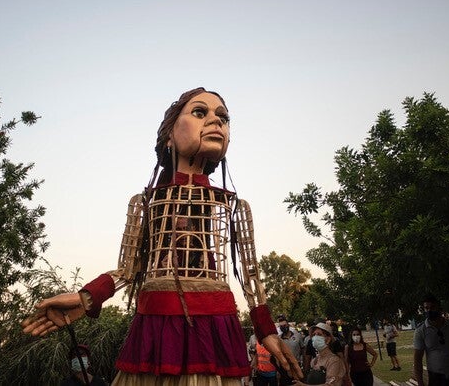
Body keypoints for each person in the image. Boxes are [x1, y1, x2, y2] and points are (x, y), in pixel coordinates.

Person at [21, 88, 302, 385]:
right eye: (199, 112)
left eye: (223, 117)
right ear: (170, 134)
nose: (215, 121)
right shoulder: (145, 204)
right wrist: (87, 297)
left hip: (213, 325)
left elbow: (250, 275)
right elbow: (128, 269)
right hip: (158, 325)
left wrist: (266, 330)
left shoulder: (234, 206)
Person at [278, 315, 305, 385]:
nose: (283, 327)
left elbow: (303, 350)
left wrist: (305, 365)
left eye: (285, 325)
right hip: (285, 368)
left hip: (297, 366)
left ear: (288, 325)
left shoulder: (297, 336)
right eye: (281, 326)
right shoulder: (279, 339)